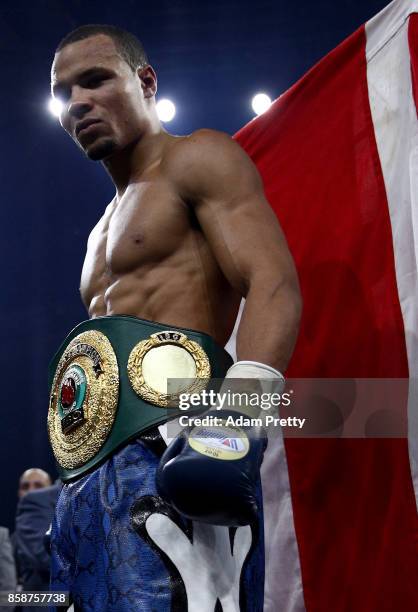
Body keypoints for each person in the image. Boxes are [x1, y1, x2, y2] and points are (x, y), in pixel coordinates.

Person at [48, 24, 301, 611]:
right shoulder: (96, 233)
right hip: (91, 473)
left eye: (95, 80)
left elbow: (273, 282)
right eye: (64, 93)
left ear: (145, 81)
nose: (77, 102)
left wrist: (233, 422)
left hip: (181, 443)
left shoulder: (197, 158)